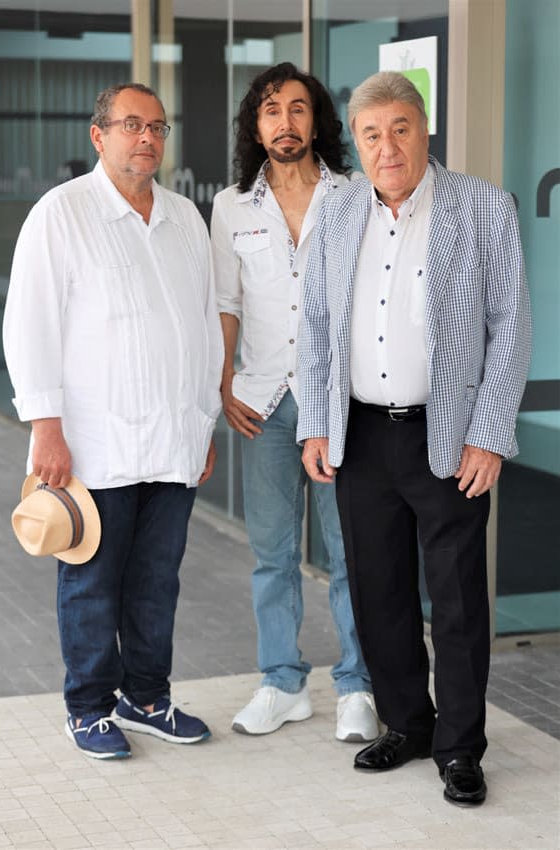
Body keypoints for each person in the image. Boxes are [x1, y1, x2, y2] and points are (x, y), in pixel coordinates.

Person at [297, 71, 530, 805]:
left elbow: (511, 330)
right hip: (360, 437)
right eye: (370, 133)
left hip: (449, 436)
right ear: (356, 143)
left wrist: (488, 435)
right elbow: (315, 327)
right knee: (378, 592)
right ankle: (407, 724)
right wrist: (313, 423)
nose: (386, 146)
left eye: (399, 128)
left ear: (423, 131)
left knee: (457, 600)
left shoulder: (482, 207)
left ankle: (460, 747)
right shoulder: (332, 212)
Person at [3, 82, 224, 760]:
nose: (146, 138)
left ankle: (147, 698)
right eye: (131, 125)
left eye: (156, 126)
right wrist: (45, 425)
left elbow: (204, 327)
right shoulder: (61, 214)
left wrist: (204, 419)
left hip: (174, 440)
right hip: (94, 443)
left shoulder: (186, 217)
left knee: (158, 581)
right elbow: (30, 324)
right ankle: (89, 706)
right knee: (93, 581)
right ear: (99, 136)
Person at [211, 62, 376, 742]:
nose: (285, 121)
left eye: (298, 108)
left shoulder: (356, 196)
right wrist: (221, 383)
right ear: (256, 125)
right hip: (262, 401)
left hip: (338, 403)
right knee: (272, 554)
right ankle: (282, 682)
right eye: (272, 110)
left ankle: (357, 685)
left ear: (317, 121)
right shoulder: (230, 206)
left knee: (352, 552)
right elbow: (225, 302)